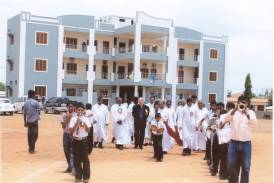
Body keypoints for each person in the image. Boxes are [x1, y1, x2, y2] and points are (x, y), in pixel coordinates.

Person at [225, 95, 257, 183]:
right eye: (240, 102)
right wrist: (235, 110)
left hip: (246, 144)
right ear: (237, 102)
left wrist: (246, 114)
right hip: (233, 143)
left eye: (244, 102)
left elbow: (254, 124)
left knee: (246, 167)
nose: (242, 104)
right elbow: (226, 119)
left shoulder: (251, 113)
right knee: (231, 165)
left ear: (247, 104)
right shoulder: (233, 111)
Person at [69, 102, 91, 183]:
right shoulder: (73, 118)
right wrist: (76, 123)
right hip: (75, 140)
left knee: (85, 159)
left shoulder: (86, 119)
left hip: (84, 141)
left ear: (83, 110)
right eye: (78, 110)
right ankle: (78, 176)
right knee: (76, 160)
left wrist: (84, 124)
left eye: (81, 110)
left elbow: (89, 131)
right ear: (76, 110)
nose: (80, 111)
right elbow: (71, 131)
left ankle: (86, 177)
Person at [218, 102, 235, 180]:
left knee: (227, 158)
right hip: (225, 139)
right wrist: (225, 121)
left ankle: (226, 174)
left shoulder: (235, 116)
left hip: (229, 139)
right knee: (225, 158)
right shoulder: (223, 116)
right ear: (227, 108)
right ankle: (222, 174)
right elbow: (220, 127)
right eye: (230, 109)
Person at [23, 89, 42, 154]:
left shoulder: (25, 103)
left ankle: (30, 148)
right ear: (33, 95)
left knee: (30, 135)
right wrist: (37, 111)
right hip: (34, 121)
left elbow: (24, 113)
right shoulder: (35, 102)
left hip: (28, 121)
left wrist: (25, 122)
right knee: (35, 135)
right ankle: (31, 148)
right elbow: (39, 110)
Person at [60, 101, 76, 173]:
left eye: (72, 106)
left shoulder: (76, 115)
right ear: (67, 107)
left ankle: (73, 167)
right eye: (69, 106)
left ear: (74, 107)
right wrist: (67, 119)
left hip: (73, 135)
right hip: (66, 134)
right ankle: (69, 166)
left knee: (72, 151)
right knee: (66, 151)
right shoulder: (64, 115)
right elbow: (63, 126)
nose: (70, 108)